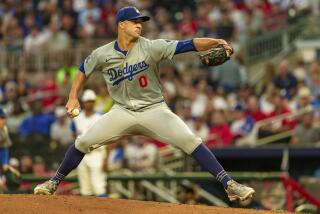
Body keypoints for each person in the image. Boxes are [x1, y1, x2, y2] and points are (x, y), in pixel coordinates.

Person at [34, 6, 254, 201]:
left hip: (153, 109)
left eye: (141, 22)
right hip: (122, 111)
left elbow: (188, 44)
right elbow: (83, 69)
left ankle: (230, 185)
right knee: (83, 142)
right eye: (135, 22)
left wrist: (215, 42)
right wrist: (73, 96)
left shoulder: (151, 47)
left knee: (190, 140)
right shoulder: (103, 53)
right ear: (122, 25)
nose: (139, 26)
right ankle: (53, 182)